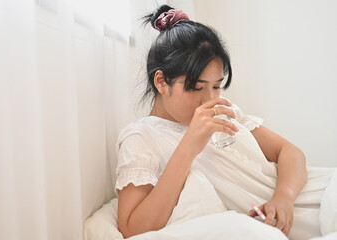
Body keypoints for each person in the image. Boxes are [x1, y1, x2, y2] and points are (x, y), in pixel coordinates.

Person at [115, 5, 336, 239]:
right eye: (196, 87)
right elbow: (133, 228)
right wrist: (189, 145)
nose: (209, 99)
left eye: (217, 86)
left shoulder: (225, 111)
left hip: (317, 194)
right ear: (161, 81)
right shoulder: (141, 137)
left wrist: (283, 198)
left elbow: (289, 151)